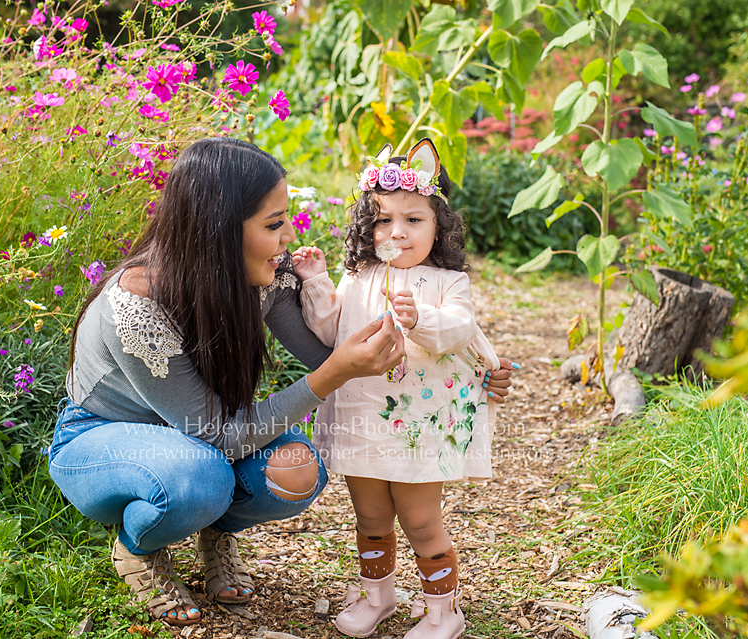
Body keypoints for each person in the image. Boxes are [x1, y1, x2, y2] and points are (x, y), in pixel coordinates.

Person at [48, 137, 413, 628]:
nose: (287, 237)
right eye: (272, 224)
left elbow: (332, 354)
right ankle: (138, 549)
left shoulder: (258, 278)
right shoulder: (136, 305)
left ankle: (216, 533)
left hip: (201, 436)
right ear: (219, 230)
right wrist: (332, 374)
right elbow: (221, 432)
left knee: (298, 468)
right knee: (201, 477)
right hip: (101, 438)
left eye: (285, 219)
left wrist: (463, 363)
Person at [291, 139, 518, 639]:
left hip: (419, 427)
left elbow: (459, 329)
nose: (397, 232)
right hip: (363, 420)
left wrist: (422, 319)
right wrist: (314, 280)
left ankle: (443, 612)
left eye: (413, 220)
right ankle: (380, 596)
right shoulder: (360, 276)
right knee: (370, 517)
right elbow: (332, 329)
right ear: (367, 230)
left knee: (420, 522)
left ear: (438, 227)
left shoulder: (446, 284)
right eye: (383, 220)